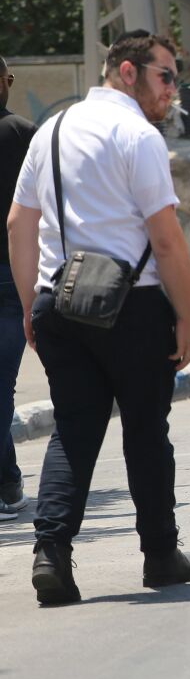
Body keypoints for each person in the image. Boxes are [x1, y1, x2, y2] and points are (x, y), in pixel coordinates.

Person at [8, 30, 190, 605]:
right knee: (145, 428)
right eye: (165, 76)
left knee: (73, 428)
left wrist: (30, 307)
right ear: (126, 72)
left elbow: (19, 225)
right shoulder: (136, 135)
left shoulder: (52, 130)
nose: (172, 90)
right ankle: (161, 555)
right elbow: (165, 241)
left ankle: (51, 554)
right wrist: (187, 318)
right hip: (132, 304)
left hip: (58, 301)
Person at [0, 57, 35, 521]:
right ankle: (7, 483)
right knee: (2, 383)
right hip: (14, 276)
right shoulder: (25, 133)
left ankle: (8, 482)